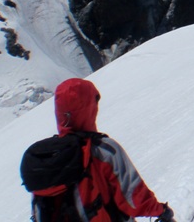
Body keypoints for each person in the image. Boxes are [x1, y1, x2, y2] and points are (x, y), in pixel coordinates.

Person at [41, 77, 175, 221]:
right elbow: (134, 196)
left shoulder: (45, 158)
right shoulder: (103, 150)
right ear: (88, 109)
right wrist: (161, 211)